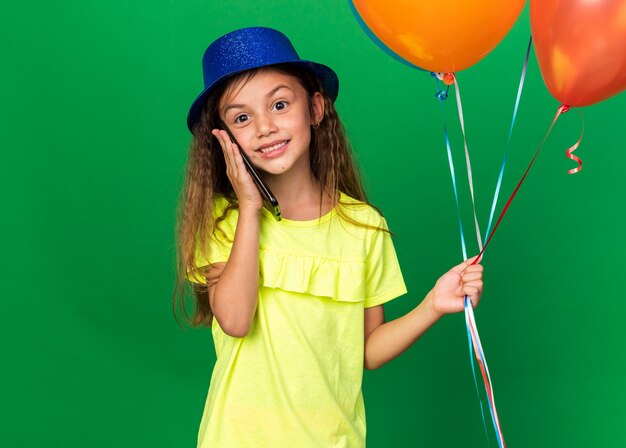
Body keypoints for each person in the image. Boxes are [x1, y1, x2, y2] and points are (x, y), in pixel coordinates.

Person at [173, 27, 484, 448]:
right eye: (242, 117)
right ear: (224, 138)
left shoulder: (364, 227)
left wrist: (433, 304)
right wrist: (249, 206)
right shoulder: (223, 222)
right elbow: (235, 319)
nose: (265, 127)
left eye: (280, 104)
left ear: (315, 108)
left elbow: (367, 350)